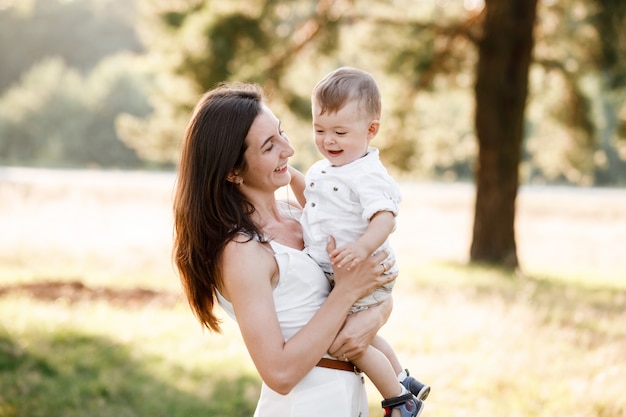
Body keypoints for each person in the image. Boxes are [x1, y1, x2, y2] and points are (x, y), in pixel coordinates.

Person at [173, 82, 418, 417]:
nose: (288, 149)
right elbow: (280, 373)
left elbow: (372, 287)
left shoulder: (300, 216)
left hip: (344, 401)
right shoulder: (242, 250)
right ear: (232, 170)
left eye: (282, 133)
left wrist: (375, 314)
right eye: (269, 146)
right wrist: (346, 293)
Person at [289, 67, 431, 417]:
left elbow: (385, 216)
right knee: (354, 332)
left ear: (371, 130)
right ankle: (403, 377)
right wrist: (291, 176)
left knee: (348, 343)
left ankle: (399, 399)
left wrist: (362, 247)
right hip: (342, 273)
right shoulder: (324, 169)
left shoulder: (366, 173)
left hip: (362, 270)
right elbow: (312, 200)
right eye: (319, 130)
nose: (328, 141)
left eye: (340, 132)